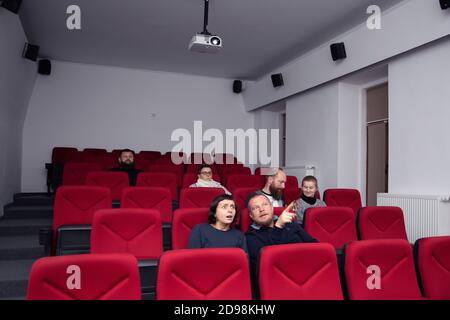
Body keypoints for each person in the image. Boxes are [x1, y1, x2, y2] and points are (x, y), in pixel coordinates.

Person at [245, 192, 317, 278]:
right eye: (255, 208)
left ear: (272, 208)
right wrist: (278, 226)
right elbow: (266, 264)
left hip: (306, 272)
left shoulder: (290, 224)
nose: (261, 209)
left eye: (265, 204)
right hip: (278, 281)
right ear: (251, 215)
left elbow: (314, 244)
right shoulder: (250, 236)